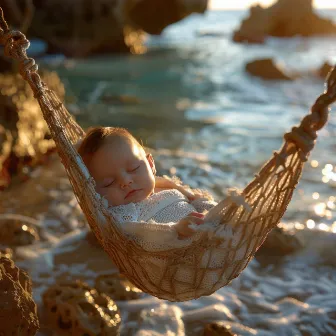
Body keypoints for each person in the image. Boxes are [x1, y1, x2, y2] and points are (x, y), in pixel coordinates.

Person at [77, 126, 217, 243]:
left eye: (133, 168)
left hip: (214, 240)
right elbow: (137, 232)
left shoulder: (167, 187)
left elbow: (198, 205)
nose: (126, 182)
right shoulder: (123, 213)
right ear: (94, 193)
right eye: (109, 183)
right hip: (181, 260)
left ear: (150, 164)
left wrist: (216, 209)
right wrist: (175, 230)